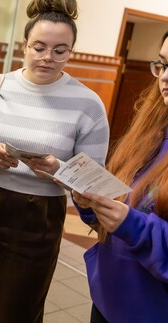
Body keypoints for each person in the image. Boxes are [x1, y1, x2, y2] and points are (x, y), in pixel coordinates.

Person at [0, 0, 110, 322]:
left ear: (71, 52)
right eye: (39, 47)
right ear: (24, 46)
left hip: (38, 217)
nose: (47, 57)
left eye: (59, 50)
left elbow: (92, 181)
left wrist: (59, 171)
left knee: (19, 310)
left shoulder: (88, 104)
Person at [71, 31, 168, 323]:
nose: (164, 77)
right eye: (162, 65)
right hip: (108, 300)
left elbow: (132, 222)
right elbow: (120, 212)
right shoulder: (152, 132)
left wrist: (131, 225)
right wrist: (90, 203)